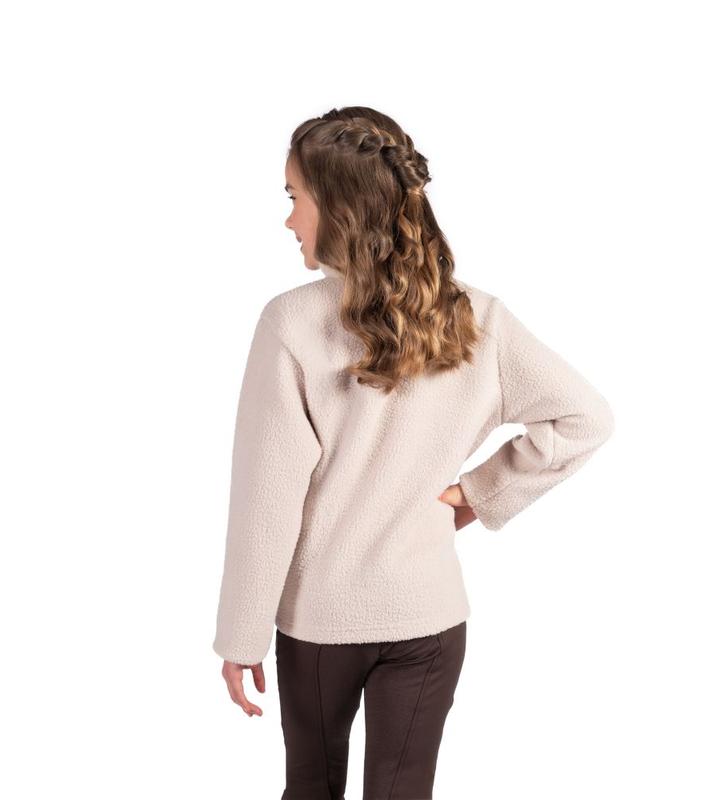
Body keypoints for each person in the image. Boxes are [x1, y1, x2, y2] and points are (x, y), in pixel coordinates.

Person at [212, 105, 615, 799]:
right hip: (429, 619)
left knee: (310, 789)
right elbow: (586, 418)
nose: (288, 220)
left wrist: (241, 635)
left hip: (320, 621)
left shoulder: (290, 324)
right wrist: (482, 494)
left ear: (338, 206)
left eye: (294, 197)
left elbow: (267, 499)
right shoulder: (477, 318)